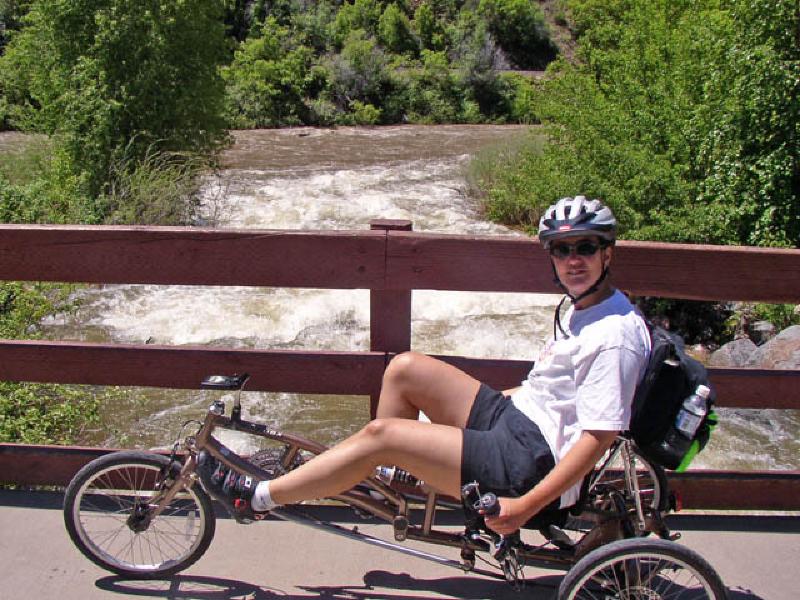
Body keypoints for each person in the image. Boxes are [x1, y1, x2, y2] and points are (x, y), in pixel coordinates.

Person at [199, 196, 651, 536]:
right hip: (519, 419)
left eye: (585, 248)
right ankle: (383, 477)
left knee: (382, 436)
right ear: (550, 255)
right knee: (404, 368)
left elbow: (598, 437)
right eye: (561, 248)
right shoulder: (585, 306)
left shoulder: (614, 336)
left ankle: (255, 498)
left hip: (530, 462)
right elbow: (554, 391)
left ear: (607, 253)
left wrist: (526, 506)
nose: (573, 259)